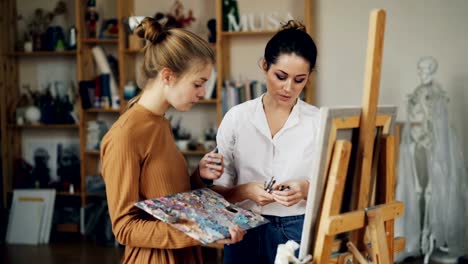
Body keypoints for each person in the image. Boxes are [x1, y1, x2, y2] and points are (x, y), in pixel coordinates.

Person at [100, 17, 245, 264]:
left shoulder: (160, 122)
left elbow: (165, 201)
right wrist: (201, 231)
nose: (202, 93)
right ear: (167, 76)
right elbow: (125, 228)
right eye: (198, 83)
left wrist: (198, 176)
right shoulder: (125, 135)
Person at [212, 20, 319, 263]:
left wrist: (305, 189)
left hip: (297, 229)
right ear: (264, 65)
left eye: (299, 79)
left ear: (309, 77)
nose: (288, 88)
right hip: (242, 227)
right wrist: (245, 191)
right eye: (280, 76)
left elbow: (337, 189)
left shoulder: (318, 122)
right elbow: (216, 191)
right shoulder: (237, 118)